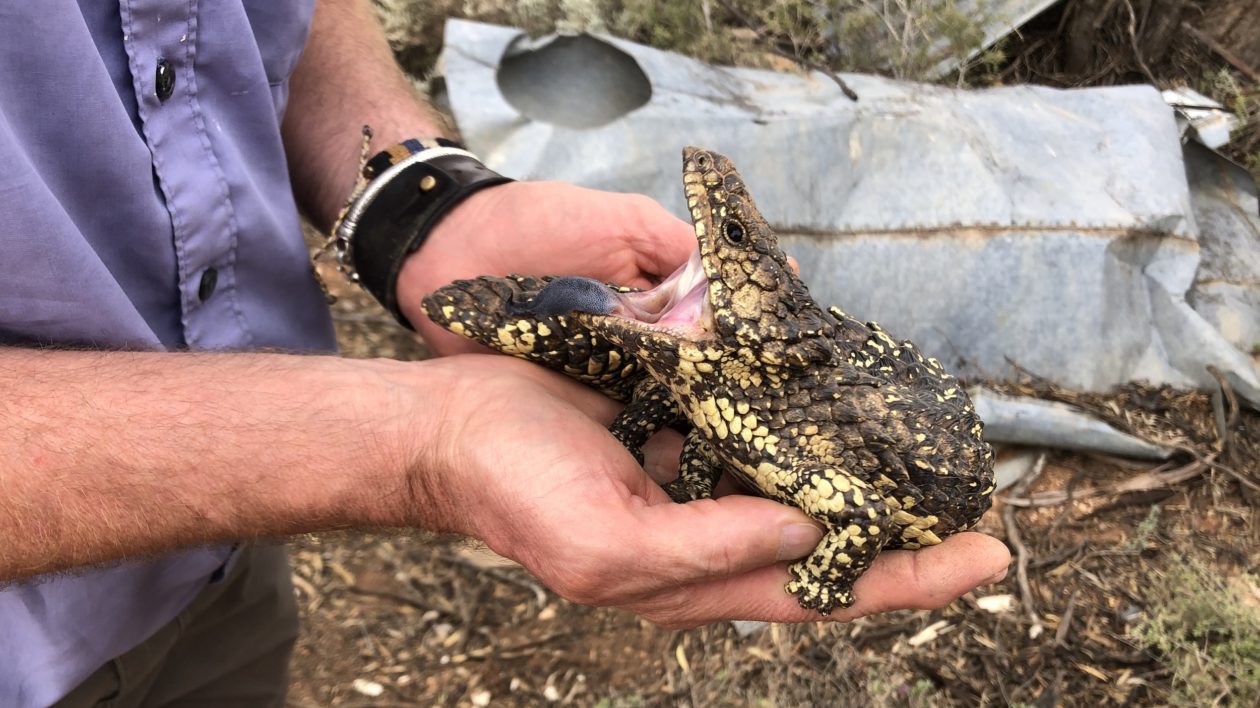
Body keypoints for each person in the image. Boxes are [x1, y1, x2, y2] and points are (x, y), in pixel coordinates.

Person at [0, 1, 1011, 705]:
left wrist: (418, 203)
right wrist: (416, 446)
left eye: (734, 255)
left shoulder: (751, 386)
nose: (713, 226)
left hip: (225, 580)